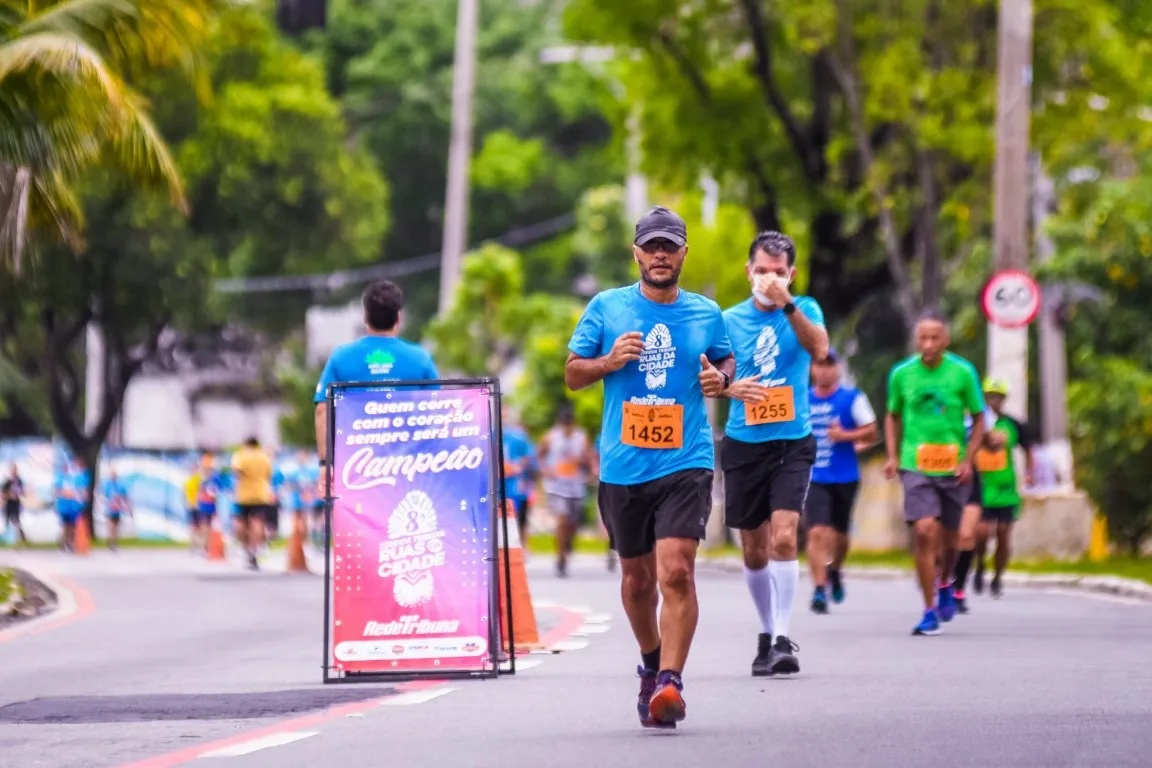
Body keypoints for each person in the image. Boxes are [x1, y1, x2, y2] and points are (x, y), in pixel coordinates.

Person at [565, 206, 735, 729]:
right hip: (624, 466)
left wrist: (720, 382)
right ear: (636, 253)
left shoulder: (707, 313)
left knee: (677, 572)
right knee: (638, 582)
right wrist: (609, 362)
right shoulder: (606, 308)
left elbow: (726, 360)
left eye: (670, 246)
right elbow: (573, 374)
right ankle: (650, 660)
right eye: (651, 246)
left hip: (687, 460)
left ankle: (670, 681)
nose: (660, 254)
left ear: (684, 253)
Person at [719, 231, 829, 676]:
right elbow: (704, 374)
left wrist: (787, 303)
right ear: (748, 271)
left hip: (792, 440)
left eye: (778, 273)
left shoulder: (805, 310)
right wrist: (730, 387)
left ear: (792, 274)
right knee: (753, 548)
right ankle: (765, 633)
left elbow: (820, 349)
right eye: (762, 271)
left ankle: (784, 639)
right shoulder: (725, 320)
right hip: (744, 441)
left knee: (784, 536)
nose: (769, 279)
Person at [884, 310, 986, 636]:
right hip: (915, 463)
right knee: (925, 531)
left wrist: (969, 459)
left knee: (953, 540)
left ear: (946, 339)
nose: (928, 344)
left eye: (934, 338)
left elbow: (980, 418)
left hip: (953, 466)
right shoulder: (902, 374)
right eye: (922, 338)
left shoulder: (962, 372)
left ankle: (946, 581)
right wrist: (892, 454)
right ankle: (928, 610)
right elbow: (892, 415)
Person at [313, 279, 438, 492]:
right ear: (399, 317)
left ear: (365, 317)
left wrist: (326, 464)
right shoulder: (421, 358)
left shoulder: (340, 358)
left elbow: (322, 410)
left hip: (354, 468)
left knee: (357, 525)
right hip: (409, 468)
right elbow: (438, 410)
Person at [806, 348, 878, 613]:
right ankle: (818, 589)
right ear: (812, 368)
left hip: (845, 476)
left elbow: (871, 431)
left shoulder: (852, 398)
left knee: (840, 535)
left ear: (837, 369)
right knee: (817, 531)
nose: (824, 369)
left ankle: (835, 569)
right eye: (819, 364)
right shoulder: (802, 400)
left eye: (829, 364)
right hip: (814, 477)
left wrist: (845, 436)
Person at [973, 377, 1036, 599]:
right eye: (989, 397)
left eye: (997, 398)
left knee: (1003, 535)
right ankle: (979, 564)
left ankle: (998, 577)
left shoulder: (1013, 425)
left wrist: (1029, 473)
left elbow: (1028, 448)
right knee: (980, 534)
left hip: (1006, 489)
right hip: (982, 488)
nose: (993, 402)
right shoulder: (976, 424)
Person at [538, 404, 595, 578]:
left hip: (575, 485)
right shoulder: (550, 437)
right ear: (560, 423)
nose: (567, 427)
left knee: (573, 523)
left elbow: (590, 457)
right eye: (564, 424)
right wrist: (545, 470)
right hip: (556, 485)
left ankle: (567, 545)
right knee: (562, 519)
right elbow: (539, 456)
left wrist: (590, 469)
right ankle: (560, 557)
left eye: (570, 424)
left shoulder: (581, 437)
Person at [231, 437, 273, 570]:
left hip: (243, 496)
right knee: (257, 523)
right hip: (260, 494)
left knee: (241, 524)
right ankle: (254, 552)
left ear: (246, 444)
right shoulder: (264, 457)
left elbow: (236, 472)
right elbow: (268, 475)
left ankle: (246, 550)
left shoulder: (240, 455)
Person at [501, 408, 536, 547]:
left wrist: (516, 466)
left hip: (515, 483)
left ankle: (519, 546)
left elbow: (528, 456)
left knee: (517, 515)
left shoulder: (518, 437)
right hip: (494, 483)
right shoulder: (486, 435)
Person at [194, 453, 222, 552]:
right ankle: (206, 545)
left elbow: (217, 491)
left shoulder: (209, 477)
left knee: (207, 525)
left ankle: (206, 545)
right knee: (206, 525)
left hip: (208, 504)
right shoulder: (204, 477)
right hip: (206, 503)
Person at [102, 470, 132, 551]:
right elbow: (103, 497)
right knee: (110, 526)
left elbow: (125, 498)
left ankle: (114, 542)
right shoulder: (107, 485)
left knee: (116, 527)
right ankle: (111, 542)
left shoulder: (120, 486)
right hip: (109, 509)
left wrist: (129, 509)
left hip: (118, 509)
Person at [2, 463, 27, 546]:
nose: (14, 472)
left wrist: (20, 493)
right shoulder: (7, 482)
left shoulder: (19, 481)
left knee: (16, 521)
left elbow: (23, 492)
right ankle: (8, 539)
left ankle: (18, 538)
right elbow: (2, 494)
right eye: (13, 470)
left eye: (15, 470)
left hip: (16, 503)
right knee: (8, 521)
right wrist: (9, 495)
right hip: (9, 504)